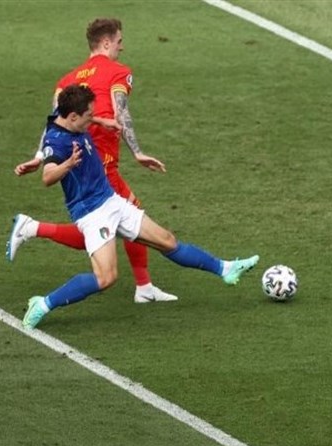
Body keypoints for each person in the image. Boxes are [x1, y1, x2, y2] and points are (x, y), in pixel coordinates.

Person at [19, 85, 259, 330]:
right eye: (89, 116)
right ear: (72, 117)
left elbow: (74, 116)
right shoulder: (56, 141)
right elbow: (48, 177)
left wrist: (101, 121)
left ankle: (225, 269)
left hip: (111, 200)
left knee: (167, 241)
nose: (92, 119)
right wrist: (68, 164)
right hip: (92, 213)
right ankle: (43, 304)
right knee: (106, 277)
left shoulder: (65, 115)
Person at [11, 18, 176, 304]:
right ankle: (32, 228)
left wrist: (40, 156)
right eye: (119, 42)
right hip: (99, 165)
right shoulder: (118, 72)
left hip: (82, 162)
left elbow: (54, 123)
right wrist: (137, 151)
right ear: (106, 42)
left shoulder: (66, 81)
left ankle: (144, 287)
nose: (122, 48)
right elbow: (121, 114)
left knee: (116, 222)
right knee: (117, 223)